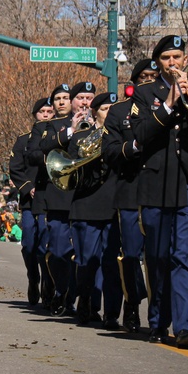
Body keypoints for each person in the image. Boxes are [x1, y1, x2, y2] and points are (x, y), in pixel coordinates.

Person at [130, 35, 188, 348]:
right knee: (157, 257)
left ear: (185, 60)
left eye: (177, 58)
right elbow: (141, 134)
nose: (173, 63)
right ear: (158, 63)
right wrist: (169, 103)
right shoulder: (144, 94)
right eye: (166, 58)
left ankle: (184, 327)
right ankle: (158, 320)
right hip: (156, 183)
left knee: (184, 255)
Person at [101, 58, 157, 332]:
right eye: (143, 75)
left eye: (153, 75)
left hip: (160, 190)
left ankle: (159, 314)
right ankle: (132, 305)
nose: (148, 79)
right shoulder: (119, 111)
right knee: (132, 255)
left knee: (159, 256)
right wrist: (132, 146)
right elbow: (110, 151)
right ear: (134, 81)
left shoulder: (169, 108)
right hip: (130, 191)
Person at [32, 81, 95, 316]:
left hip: (88, 195)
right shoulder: (50, 126)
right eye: (80, 98)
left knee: (88, 254)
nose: (84, 103)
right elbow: (36, 153)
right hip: (59, 196)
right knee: (58, 251)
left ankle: (87, 301)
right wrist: (70, 129)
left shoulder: (98, 123)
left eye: (66, 98)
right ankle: (61, 290)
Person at [69, 92, 122, 328]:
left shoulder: (121, 136)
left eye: (113, 108)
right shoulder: (82, 137)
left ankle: (112, 313)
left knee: (111, 263)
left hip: (113, 204)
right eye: (105, 108)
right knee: (87, 262)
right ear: (94, 111)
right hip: (87, 204)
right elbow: (69, 168)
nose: (109, 112)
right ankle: (86, 303)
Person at [9, 97, 54, 308]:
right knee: (29, 243)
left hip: (48, 198)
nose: (46, 115)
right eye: (42, 111)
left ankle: (48, 281)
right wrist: (28, 187)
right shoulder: (23, 140)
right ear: (35, 114)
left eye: (49, 111)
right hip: (29, 200)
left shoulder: (58, 137)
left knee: (45, 245)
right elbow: (15, 168)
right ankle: (33, 278)